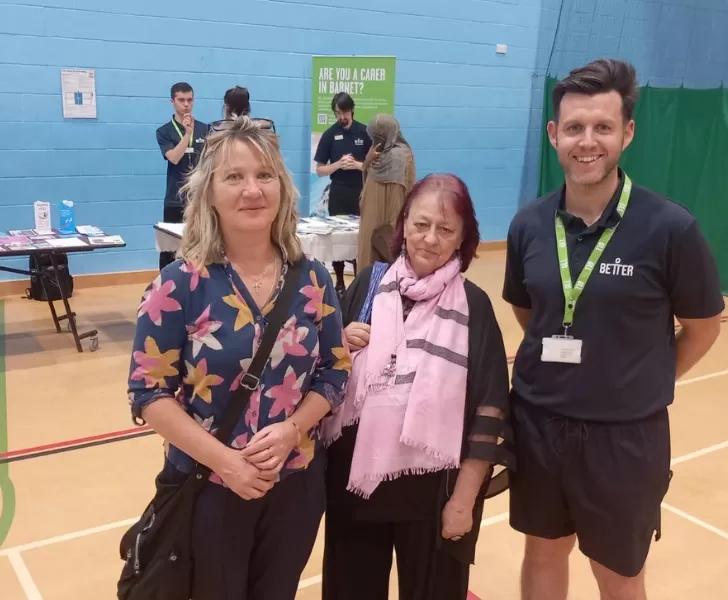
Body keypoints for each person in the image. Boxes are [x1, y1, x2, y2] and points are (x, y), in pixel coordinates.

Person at [503, 58, 724, 600]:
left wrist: (639, 381)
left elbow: (702, 328)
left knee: (619, 573)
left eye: (603, 127)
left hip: (625, 438)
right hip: (538, 423)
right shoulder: (529, 224)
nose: (587, 142)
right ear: (555, 135)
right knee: (543, 552)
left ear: (627, 133)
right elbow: (530, 313)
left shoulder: (670, 228)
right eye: (574, 128)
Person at [127, 116, 352, 600]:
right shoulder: (178, 285)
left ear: (282, 188)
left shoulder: (313, 279)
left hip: (296, 484)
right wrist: (226, 463)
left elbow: (335, 370)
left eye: (264, 175)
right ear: (209, 192)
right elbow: (148, 393)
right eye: (234, 176)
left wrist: (294, 428)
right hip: (210, 487)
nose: (252, 189)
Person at [320, 173, 514, 600]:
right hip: (356, 487)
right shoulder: (369, 286)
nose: (429, 239)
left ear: (463, 239)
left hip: (434, 497)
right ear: (403, 224)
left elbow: (490, 410)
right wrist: (340, 345)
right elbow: (325, 376)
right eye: (420, 224)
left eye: (445, 229)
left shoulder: (474, 307)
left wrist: (463, 500)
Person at [313, 92, 372, 293]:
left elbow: (373, 167)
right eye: (338, 113)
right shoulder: (330, 134)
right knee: (337, 239)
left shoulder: (364, 132)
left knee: (358, 238)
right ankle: (338, 281)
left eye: (344, 111)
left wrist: (357, 165)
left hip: (360, 192)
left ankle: (358, 280)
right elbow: (320, 170)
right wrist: (337, 164)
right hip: (338, 193)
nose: (341, 117)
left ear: (352, 109)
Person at [155, 82, 209, 270]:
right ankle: (164, 287)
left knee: (199, 245)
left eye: (190, 100)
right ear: (172, 101)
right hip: (175, 200)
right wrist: (187, 134)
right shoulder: (164, 131)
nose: (186, 104)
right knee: (170, 250)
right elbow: (175, 158)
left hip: (198, 199)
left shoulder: (206, 129)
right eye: (181, 100)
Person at [357, 113, 416, 269]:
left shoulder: (401, 156)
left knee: (385, 258)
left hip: (389, 217)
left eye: (378, 136)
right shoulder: (377, 153)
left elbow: (403, 190)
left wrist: (394, 224)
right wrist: (367, 161)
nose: (375, 141)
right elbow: (367, 183)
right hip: (371, 217)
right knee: (368, 255)